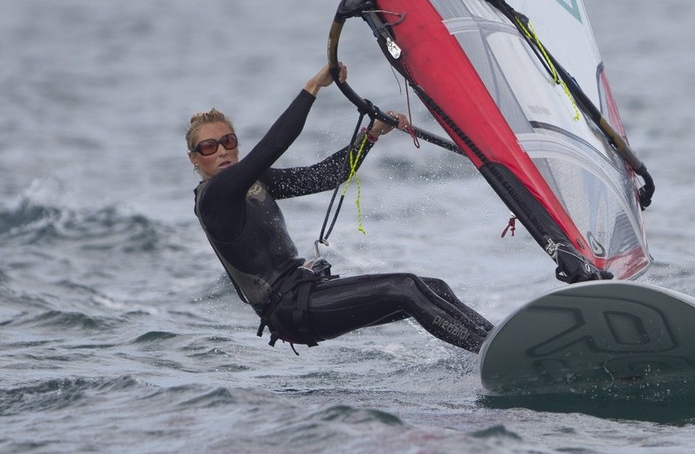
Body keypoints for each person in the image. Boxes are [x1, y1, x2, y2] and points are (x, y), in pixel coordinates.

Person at [186, 62, 493, 354]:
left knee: (434, 289)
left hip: (309, 291)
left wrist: (370, 135)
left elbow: (327, 175)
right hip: (290, 310)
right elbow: (273, 146)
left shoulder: (257, 182)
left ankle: (495, 340)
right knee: (406, 288)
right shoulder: (214, 198)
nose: (223, 151)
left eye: (228, 141)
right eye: (210, 147)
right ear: (195, 159)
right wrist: (314, 86)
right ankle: (488, 351)